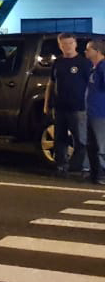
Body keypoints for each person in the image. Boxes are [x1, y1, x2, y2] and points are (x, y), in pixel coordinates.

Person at [44, 32, 92, 177]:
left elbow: (91, 85)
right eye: (64, 44)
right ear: (60, 45)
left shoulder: (84, 63)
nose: (67, 47)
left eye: (70, 43)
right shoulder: (58, 63)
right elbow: (51, 83)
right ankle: (61, 165)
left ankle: (84, 167)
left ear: (75, 44)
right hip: (60, 108)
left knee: (81, 139)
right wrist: (47, 104)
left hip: (79, 108)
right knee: (60, 139)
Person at [84, 39, 105, 186]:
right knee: (92, 144)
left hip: (101, 113)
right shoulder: (94, 67)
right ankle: (95, 174)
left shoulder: (103, 67)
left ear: (97, 51)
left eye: (88, 49)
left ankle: (101, 174)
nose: (85, 52)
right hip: (92, 112)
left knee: (101, 145)